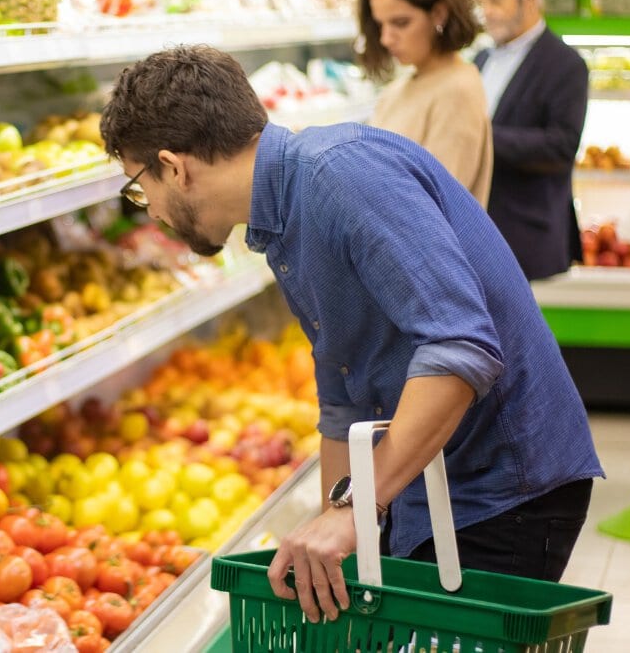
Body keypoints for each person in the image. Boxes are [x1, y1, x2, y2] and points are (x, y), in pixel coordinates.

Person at [100, 45, 602, 624]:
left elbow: (461, 348)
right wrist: (330, 532)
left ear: (175, 166)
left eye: (140, 188)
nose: (151, 211)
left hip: (502, 485)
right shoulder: (280, 221)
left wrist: (356, 511)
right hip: (430, 480)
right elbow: (345, 401)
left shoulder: (340, 175)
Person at [476, 0, 589, 280]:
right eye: (482, 2)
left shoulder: (566, 64)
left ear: (529, 1)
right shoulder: (481, 58)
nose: (486, 11)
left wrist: (480, 138)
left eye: (496, 1)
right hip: (479, 234)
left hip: (528, 240)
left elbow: (561, 147)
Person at [361, 0, 493, 206]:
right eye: (380, 25)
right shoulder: (399, 88)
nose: (385, 38)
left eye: (400, 23)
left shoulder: (457, 90)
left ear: (439, 14)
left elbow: (435, 202)